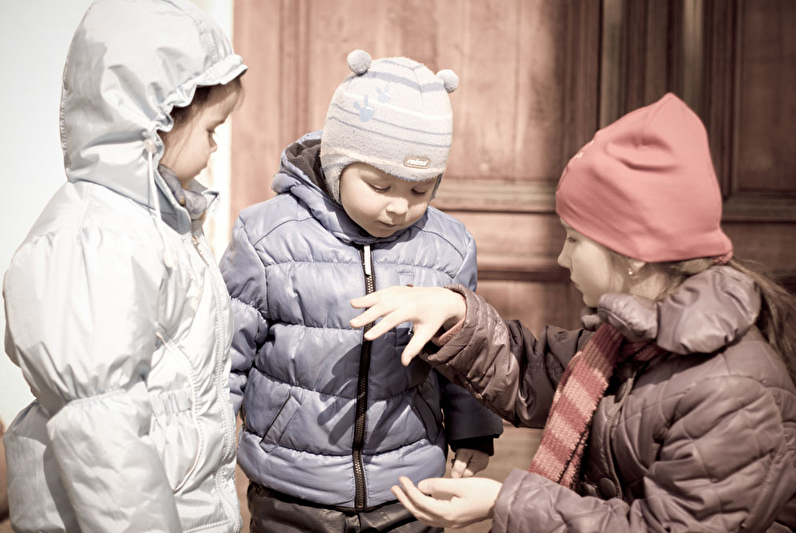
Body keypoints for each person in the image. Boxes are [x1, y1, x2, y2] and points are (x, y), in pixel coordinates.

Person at [350, 93, 796, 532]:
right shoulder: (629, 339)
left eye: (574, 238)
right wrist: (455, 314)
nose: (562, 258)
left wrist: (506, 503)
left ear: (633, 254)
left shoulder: (735, 394)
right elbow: (533, 372)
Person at [219, 50, 503, 532]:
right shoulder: (267, 238)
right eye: (380, 186)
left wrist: (474, 430)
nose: (399, 207)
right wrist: (211, 438)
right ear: (337, 164)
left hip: (408, 485)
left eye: (419, 191)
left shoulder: (448, 248)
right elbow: (226, 353)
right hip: (292, 488)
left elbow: (465, 352)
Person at [2, 1, 246, 531]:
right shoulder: (93, 240)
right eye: (212, 129)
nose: (213, 148)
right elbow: (100, 430)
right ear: (156, 121)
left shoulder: (156, 225)